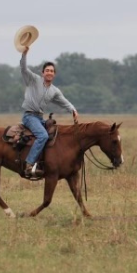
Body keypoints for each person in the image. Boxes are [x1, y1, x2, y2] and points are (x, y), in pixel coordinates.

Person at [20, 46, 78, 177]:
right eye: (47, 70)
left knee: (56, 134)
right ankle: (29, 164)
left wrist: (73, 109)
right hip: (29, 116)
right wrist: (24, 55)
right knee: (43, 136)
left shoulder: (54, 91)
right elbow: (23, 69)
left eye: (52, 71)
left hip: (40, 117)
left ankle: (44, 163)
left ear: (54, 74)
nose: (49, 73)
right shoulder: (33, 80)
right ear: (42, 73)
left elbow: (64, 101)